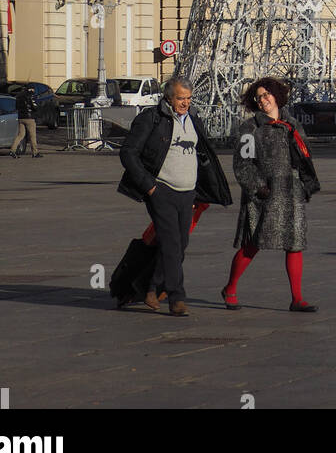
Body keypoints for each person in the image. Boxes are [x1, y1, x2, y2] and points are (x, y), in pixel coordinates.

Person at [117, 76, 231, 316]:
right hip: (162, 191)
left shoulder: (193, 119)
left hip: (187, 193)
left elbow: (202, 155)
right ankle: (176, 297)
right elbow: (128, 152)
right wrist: (150, 187)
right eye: (181, 98)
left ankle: (150, 288)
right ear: (168, 98)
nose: (185, 103)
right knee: (170, 244)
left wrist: (204, 189)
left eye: (188, 98)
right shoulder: (152, 119)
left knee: (180, 246)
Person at [223, 78, 320, 313]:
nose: (263, 100)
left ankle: (297, 298)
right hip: (264, 195)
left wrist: (306, 186)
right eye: (258, 97)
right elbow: (242, 164)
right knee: (252, 244)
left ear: (277, 95)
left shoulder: (293, 124)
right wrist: (257, 187)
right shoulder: (250, 128)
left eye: (267, 95)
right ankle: (230, 288)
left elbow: (304, 158)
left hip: (291, 192)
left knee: (294, 244)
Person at [9, 84, 41, 159]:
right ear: (31, 89)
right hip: (29, 118)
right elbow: (34, 106)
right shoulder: (30, 95)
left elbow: (16, 107)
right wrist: (36, 108)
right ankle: (35, 152)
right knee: (32, 136)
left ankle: (12, 150)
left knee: (20, 135)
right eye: (33, 89)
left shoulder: (19, 96)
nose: (34, 91)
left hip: (21, 117)